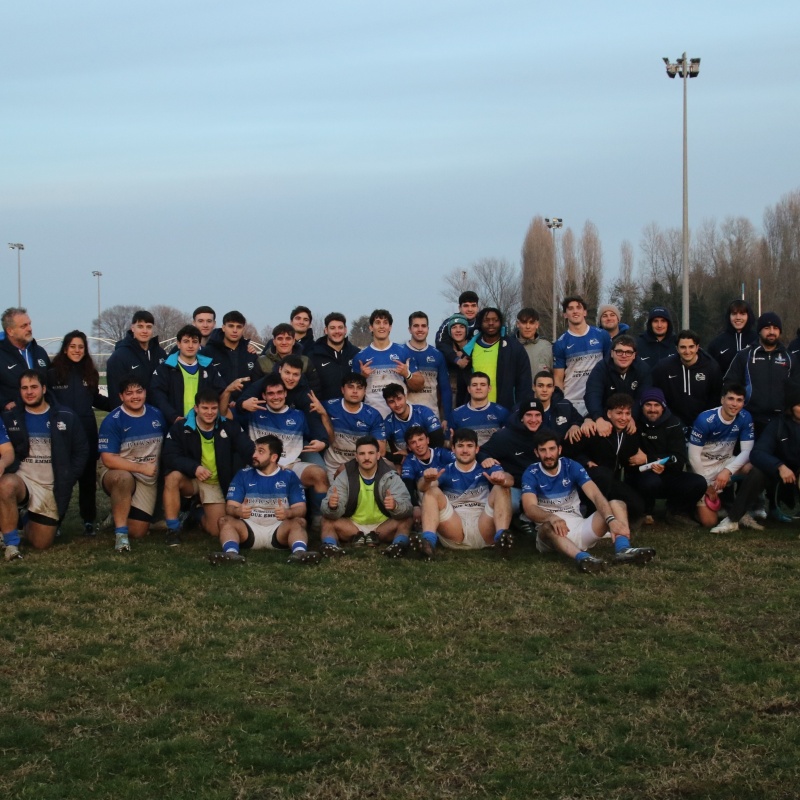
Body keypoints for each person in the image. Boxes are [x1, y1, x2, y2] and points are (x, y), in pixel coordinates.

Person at [521, 431, 656, 573]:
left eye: (552, 449)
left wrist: (610, 520)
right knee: (547, 527)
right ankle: (584, 558)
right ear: (536, 453)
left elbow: (595, 494)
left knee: (617, 504)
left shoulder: (571, 466)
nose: (548, 455)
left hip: (579, 528)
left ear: (559, 449)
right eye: (543, 450)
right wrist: (552, 517)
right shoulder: (531, 473)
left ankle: (623, 549)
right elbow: (529, 508)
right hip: (550, 536)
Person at [0, 370, 88, 558]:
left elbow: (81, 451)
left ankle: (24, 518)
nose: (29, 392)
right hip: (22, 480)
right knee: (6, 485)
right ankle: (11, 543)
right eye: (24, 388)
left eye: (34, 387)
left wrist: (68, 478)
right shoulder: (10, 418)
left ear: (44, 389)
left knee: (42, 543)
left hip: (49, 486)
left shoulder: (65, 416)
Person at [162, 388, 255, 545]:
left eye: (213, 408)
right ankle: (173, 529)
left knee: (216, 529)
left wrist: (267, 463)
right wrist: (194, 468)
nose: (210, 412)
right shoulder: (181, 427)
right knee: (172, 477)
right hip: (192, 478)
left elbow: (247, 449)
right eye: (205, 408)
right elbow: (169, 456)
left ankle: (195, 513)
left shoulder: (229, 426)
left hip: (215, 482)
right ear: (196, 408)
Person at [209, 434, 320, 566]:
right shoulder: (243, 474)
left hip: (279, 529)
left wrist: (288, 513)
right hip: (249, 528)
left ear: (273, 457)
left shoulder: (289, 476)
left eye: (260, 451)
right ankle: (231, 554)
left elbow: (301, 509)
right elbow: (229, 507)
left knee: (299, 521)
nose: (254, 455)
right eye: (255, 450)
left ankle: (300, 554)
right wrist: (238, 511)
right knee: (224, 520)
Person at [238, 373, 330, 526]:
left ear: (286, 393)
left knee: (319, 474)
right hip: (261, 466)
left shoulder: (299, 416)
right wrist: (240, 403)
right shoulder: (253, 412)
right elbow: (226, 415)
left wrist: (322, 442)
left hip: (291, 466)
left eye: (279, 392)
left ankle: (319, 520)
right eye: (271, 393)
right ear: (263, 396)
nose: (276, 397)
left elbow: (319, 434)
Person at [414, 427, 514, 558]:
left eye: (469, 446)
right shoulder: (445, 470)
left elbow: (510, 480)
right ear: (453, 449)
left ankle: (501, 540)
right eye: (460, 446)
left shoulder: (486, 467)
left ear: (477, 449)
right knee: (430, 490)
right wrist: (426, 480)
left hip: (483, 526)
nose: (465, 450)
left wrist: (502, 478)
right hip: (455, 528)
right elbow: (422, 487)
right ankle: (428, 543)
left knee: (502, 487)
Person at [711, 388, 800, 533]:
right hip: (779, 476)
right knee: (757, 472)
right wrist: (780, 466)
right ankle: (733, 520)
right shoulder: (778, 424)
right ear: (791, 407)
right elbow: (758, 453)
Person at [48, 330, 110, 536]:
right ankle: (55, 520)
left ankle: (88, 520)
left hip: (87, 432)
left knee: (87, 478)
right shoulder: (52, 373)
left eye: (81, 347)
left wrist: (119, 404)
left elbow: (96, 399)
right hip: (61, 433)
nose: (77, 350)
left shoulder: (90, 372)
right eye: (73, 346)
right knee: (60, 478)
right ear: (65, 349)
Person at [98, 378, 166, 551]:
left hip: (147, 477)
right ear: (121, 396)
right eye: (129, 393)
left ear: (145, 393)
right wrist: (141, 468)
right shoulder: (113, 420)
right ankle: (121, 535)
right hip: (117, 470)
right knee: (123, 478)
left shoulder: (156, 415)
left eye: (139, 392)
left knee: (137, 532)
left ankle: (118, 513)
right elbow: (108, 459)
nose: (135, 397)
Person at [320, 435, 413, 558]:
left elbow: (407, 507)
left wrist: (395, 506)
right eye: (362, 454)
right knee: (326, 520)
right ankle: (330, 547)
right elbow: (326, 509)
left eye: (371, 453)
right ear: (356, 457)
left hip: (382, 527)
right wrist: (332, 507)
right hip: (353, 527)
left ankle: (398, 546)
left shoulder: (390, 477)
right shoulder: (345, 476)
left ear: (378, 455)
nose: (367, 457)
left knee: (406, 520)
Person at [626, 388, 707, 525]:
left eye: (656, 405)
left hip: (668, 474)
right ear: (641, 406)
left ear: (663, 406)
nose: (652, 409)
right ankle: (645, 511)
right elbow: (632, 459)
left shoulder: (674, 423)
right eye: (648, 405)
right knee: (650, 481)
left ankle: (676, 511)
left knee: (699, 482)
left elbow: (680, 458)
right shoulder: (634, 423)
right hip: (642, 476)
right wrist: (651, 463)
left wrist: (651, 460)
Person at [688, 383, 758, 529]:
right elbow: (693, 457)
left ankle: (740, 509)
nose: (734, 404)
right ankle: (692, 506)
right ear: (722, 400)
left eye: (739, 400)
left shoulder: (745, 417)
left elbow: (747, 451)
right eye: (731, 399)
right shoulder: (705, 419)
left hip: (725, 464)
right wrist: (706, 484)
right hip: (702, 469)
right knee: (710, 522)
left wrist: (728, 471)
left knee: (753, 468)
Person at [574, 393, 647, 527]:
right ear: (609, 414)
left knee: (637, 505)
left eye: (627, 413)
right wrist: (586, 461)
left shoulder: (630, 434)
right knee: (603, 474)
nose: (623, 418)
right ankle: (591, 516)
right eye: (619, 413)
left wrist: (644, 460)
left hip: (612, 481)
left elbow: (629, 461)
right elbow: (572, 452)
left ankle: (611, 513)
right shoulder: (594, 429)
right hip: (588, 481)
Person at [150, 324, 240, 427]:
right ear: (178, 344)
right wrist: (173, 417)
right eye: (186, 341)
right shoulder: (165, 368)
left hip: (204, 426)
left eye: (194, 342)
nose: (190, 345)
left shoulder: (208, 367)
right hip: (174, 425)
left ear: (199, 344)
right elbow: (158, 397)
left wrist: (230, 400)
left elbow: (221, 390)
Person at [724, 312, 797, 436]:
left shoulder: (790, 358)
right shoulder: (744, 355)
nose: (771, 332)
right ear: (759, 331)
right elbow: (730, 384)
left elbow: (796, 389)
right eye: (767, 328)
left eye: (775, 328)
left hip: (780, 421)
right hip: (750, 419)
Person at [480, 398, 545, 517]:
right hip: (515, 486)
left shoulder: (547, 435)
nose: (533, 419)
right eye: (529, 415)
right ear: (521, 417)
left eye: (537, 415)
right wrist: (486, 458)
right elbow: (482, 451)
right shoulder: (505, 436)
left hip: (541, 487)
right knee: (511, 504)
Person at [316, 372, 386, 479]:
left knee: (390, 467)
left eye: (359, 388)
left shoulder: (373, 415)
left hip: (361, 466)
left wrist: (349, 466)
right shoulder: (327, 407)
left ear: (365, 392)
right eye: (350, 387)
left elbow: (381, 451)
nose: (355, 391)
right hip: (331, 467)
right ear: (342, 390)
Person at [651, 330, 722, 432]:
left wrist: (706, 421)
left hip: (704, 424)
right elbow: (654, 392)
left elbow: (715, 397)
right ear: (677, 348)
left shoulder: (711, 367)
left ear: (697, 347)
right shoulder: (663, 367)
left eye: (691, 347)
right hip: (672, 424)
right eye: (683, 347)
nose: (687, 351)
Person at [355, 309, 422, 418]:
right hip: (372, 417)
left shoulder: (403, 352)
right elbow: (353, 392)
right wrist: (362, 378)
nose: (382, 326)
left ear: (390, 327)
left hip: (399, 416)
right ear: (371, 327)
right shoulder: (360, 356)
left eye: (385, 323)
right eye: (377, 323)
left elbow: (419, 385)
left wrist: (407, 374)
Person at [552, 296, 612, 416]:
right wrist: (561, 402)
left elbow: (610, 367)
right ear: (565, 314)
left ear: (585, 312)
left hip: (597, 397)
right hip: (572, 399)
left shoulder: (602, 335)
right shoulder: (560, 343)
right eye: (570, 308)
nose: (575, 311)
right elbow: (558, 378)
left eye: (578, 308)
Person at [464, 307, 531, 409]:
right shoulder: (471, 349)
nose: (491, 323)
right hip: (476, 409)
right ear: (480, 323)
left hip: (506, 409)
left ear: (501, 323)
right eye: (486, 320)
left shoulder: (514, 347)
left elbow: (524, 382)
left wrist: (520, 409)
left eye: (495, 320)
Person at [584, 335, 652, 431]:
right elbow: (592, 394)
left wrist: (632, 417)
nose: (624, 355)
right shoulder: (601, 368)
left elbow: (642, 397)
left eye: (628, 352)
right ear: (612, 353)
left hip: (632, 416)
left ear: (634, 355)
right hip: (605, 415)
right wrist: (598, 418)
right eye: (619, 351)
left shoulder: (643, 369)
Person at [105, 310, 166, 409]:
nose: (145, 331)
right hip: (132, 414)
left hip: (158, 414)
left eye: (149, 327)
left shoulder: (160, 354)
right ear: (132, 328)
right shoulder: (119, 356)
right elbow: (115, 394)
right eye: (140, 326)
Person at [201, 310, 259, 404]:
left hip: (244, 407)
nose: (235, 330)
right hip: (215, 407)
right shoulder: (207, 353)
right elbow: (204, 383)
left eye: (239, 327)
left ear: (243, 329)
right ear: (223, 328)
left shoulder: (250, 353)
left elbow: (256, 383)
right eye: (231, 326)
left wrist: (242, 403)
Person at [404, 311, 453, 424]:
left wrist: (447, 418)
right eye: (416, 326)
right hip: (407, 417)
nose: (420, 329)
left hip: (432, 416)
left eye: (423, 326)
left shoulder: (437, 355)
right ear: (409, 329)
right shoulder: (401, 352)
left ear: (428, 329)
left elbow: (445, 389)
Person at [0, 307, 52, 410]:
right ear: (10, 331)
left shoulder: (40, 352)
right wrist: (4, 403)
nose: (29, 329)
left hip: (42, 415)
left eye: (29, 324)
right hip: (12, 417)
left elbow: (50, 384)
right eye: (24, 326)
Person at [306, 312, 360, 402]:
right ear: (326, 330)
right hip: (323, 409)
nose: (337, 331)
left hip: (351, 409)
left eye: (340, 327)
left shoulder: (356, 354)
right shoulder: (313, 355)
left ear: (345, 330)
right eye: (332, 328)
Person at [382, 382, 444, 458]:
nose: (397, 404)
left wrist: (409, 452)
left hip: (430, 457)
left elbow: (438, 441)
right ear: (387, 403)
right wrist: (398, 459)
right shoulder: (388, 423)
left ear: (405, 396)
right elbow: (381, 451)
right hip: (404, 461)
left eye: (399, 399)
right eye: (391, 402)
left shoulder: (424, 412)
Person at [254, 322, 320, 393]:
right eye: (280, 339)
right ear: (274, 342)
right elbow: (255, 390)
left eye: (288, 339)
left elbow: (315, 389)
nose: (284, 342)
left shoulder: (305, 362)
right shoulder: (262, 362)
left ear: (293, 341)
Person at [450, 372, 510, 447]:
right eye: (474, 385)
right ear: (469, 389)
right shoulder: (456, 414)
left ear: (489, 388)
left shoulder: (502, 412)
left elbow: (508, 442)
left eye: (483, 385)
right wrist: (450, 443)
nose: (478, 388)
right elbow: (449, 443)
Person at [530, 370, 585, 446]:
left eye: (549, 386)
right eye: (540, 386)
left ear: (553, 388)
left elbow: (579, 420)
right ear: (534, 387)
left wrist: (575, 425)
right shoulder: (524, 409)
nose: (544, 390)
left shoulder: (565, 406)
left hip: (563, 450)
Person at [707, 300, 757, 375]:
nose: (738, 318)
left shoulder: (757, 340)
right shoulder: (717, 343)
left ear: (748, 316)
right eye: (734, 314)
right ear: (729, 316)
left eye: (742, 314)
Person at [435, 290, 480, 368]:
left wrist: (464, 353)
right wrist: (455, 359)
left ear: (477, 308)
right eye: (466, 306)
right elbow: (441, 343)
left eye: (473, 306)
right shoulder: (450, 322)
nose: (470, 309)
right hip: (453, 366)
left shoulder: (483, 323)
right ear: (459, 308)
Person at [441, 313, 472, 407]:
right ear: (450, 331)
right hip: (451, 402)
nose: (458, 330)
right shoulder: (444, 352)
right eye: (454, 327)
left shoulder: (475, 349)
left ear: (466, 330)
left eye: (462, 327)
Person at [515, 307, 553, 377]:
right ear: (517, 324)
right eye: (524, 322)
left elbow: (556, 375)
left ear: (537, 325)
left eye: (531, 323)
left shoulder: (547, 347)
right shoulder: (510, 347)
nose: (528, 326)